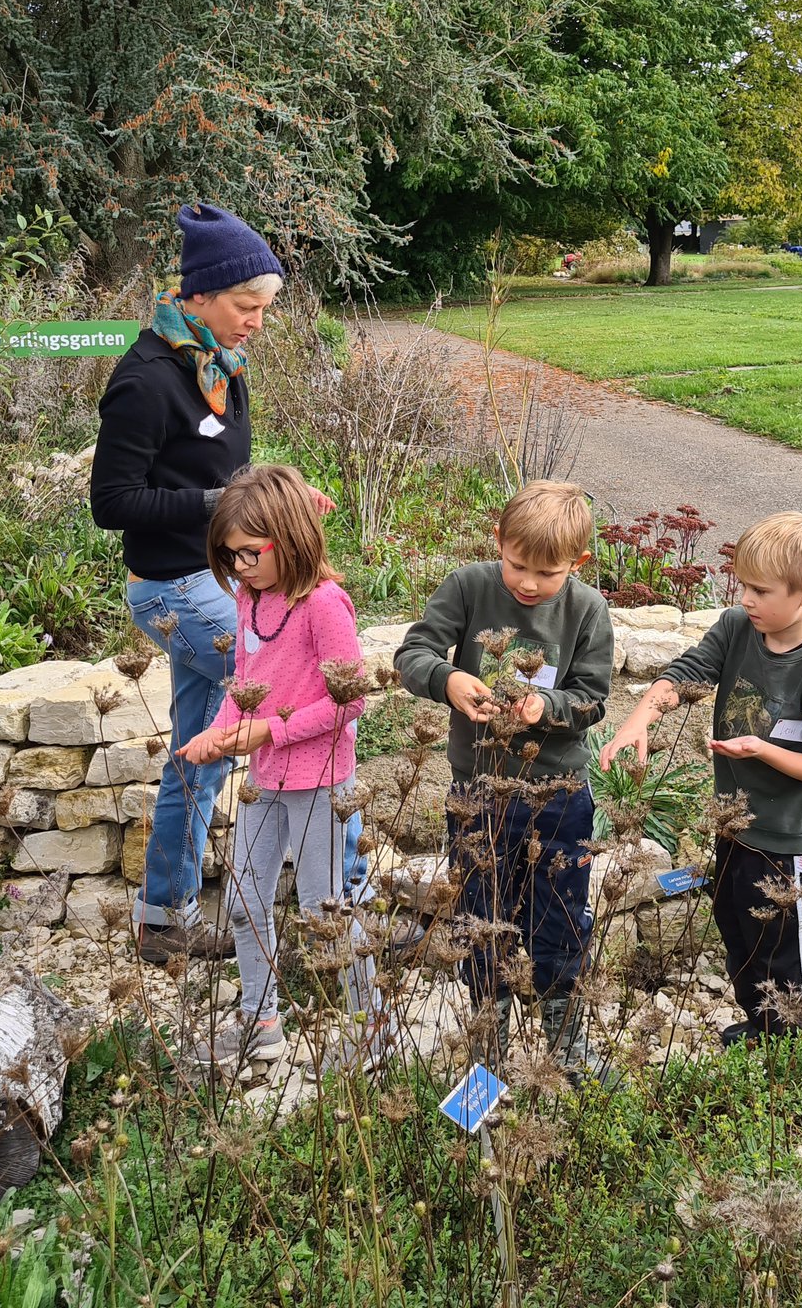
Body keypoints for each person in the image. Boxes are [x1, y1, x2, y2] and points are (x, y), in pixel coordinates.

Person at [89, 204, 286, 962]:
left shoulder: (222, 368)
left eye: (265, 309)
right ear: (200, 294)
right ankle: (349, 889)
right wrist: (223, 508)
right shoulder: (146, 378)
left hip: (216, 579)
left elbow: (226, 475)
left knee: (199, 750)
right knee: (297, 697)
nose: (257, 323)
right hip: (171, 588)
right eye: (247, 306)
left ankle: (162, 919)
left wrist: (275, 503)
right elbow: (112, 504)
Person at [602, 512, 802, 1046]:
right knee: (740, 937)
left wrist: (762, 749)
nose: (746, 598)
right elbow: (687, 672)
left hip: (789, 846)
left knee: (790, 955)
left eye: (761, 590)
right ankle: (761, 1028)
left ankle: (800, 1054)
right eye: (743, 584)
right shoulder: (737, 630)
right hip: (733, 830)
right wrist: (639, 719)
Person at [394, 482, 614, 1077]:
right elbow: (412, 653)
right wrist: (449, 680)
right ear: (499, 542)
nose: (528, 583)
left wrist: (552, 710)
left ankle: (563, 1033)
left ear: (578, 564)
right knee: (478, 910)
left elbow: (595, 699)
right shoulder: (468, 587)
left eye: (547, 573)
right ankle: (487, 1025)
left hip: (559, 796)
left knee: (562, 912)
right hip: (479, 793)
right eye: (518, 565)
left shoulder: (587, 611)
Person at [175, 465, 387, 1067]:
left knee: (326, 908)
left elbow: (351, 700)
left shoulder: (324, 604)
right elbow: (245, 683)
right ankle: (260, 1018)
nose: (238, 568)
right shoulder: (250, 601)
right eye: (228, 556)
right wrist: (215, 735)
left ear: (289, 538)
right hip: (264, 780)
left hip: (321, 780)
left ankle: (368, 1027)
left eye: (249, 553)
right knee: (244, 900)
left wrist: (272, 729)